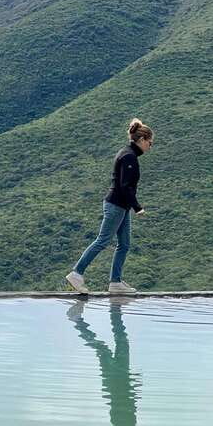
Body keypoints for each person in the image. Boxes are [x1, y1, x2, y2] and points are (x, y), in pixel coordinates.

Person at [66, 118, 154, 294]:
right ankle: (76, 273)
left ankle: (115, 282)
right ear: (142, 140)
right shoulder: (129, 156)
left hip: (121, 206)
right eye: (150, 143)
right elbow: (125, 185)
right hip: (116, 205)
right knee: (103, 240)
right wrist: (138, 207)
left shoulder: (128, 153)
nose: (150, 147)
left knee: (124, 244)